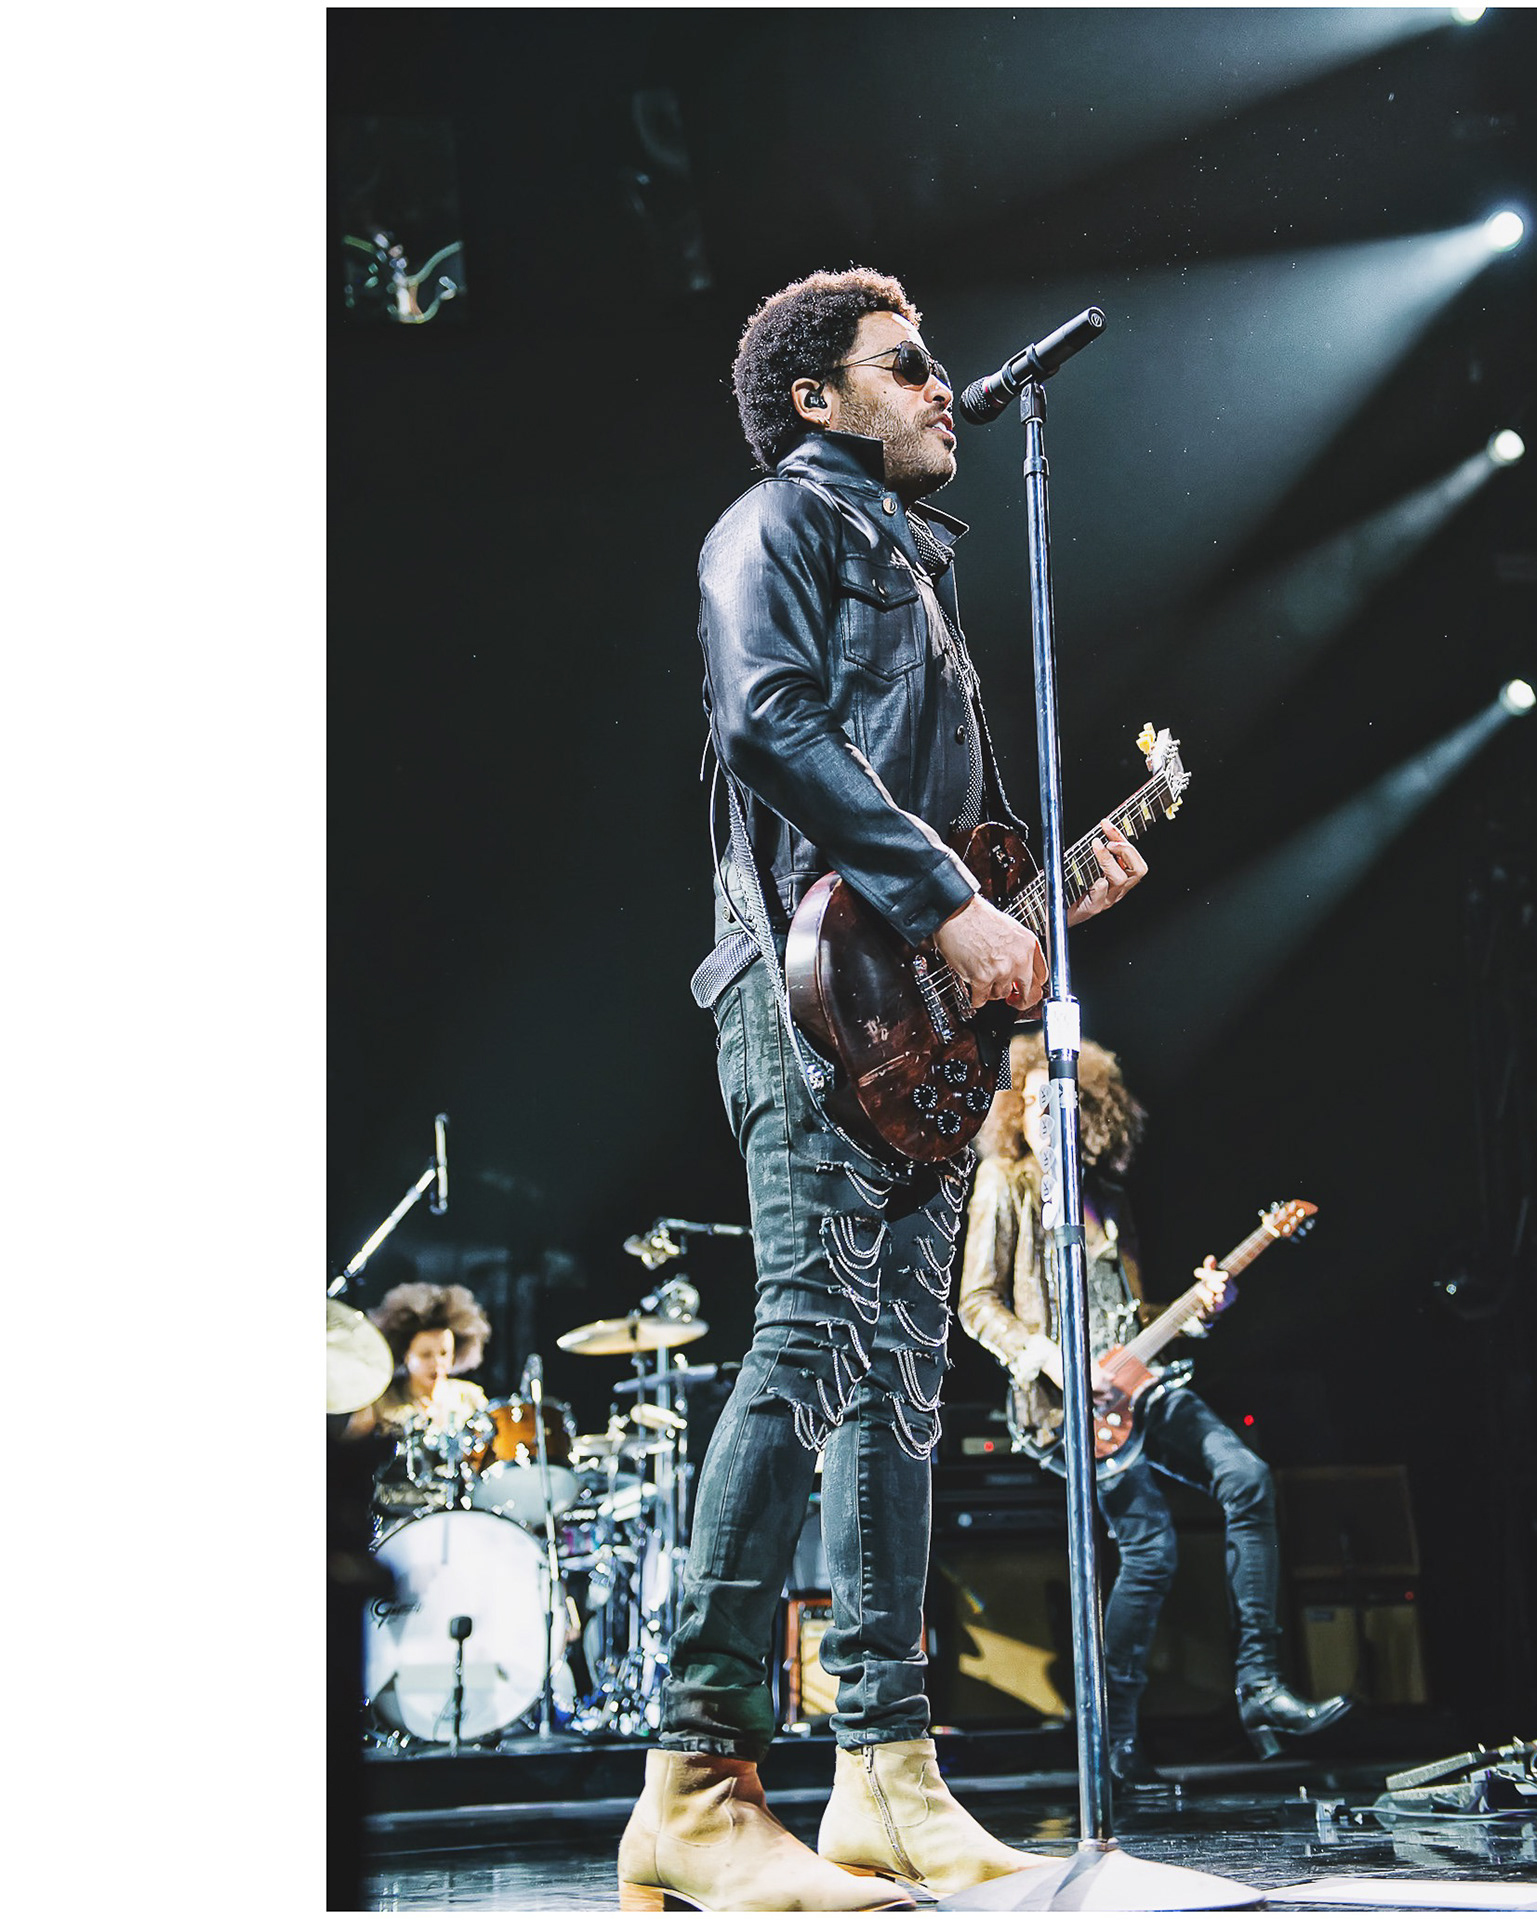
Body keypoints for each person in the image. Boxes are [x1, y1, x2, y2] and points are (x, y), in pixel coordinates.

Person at [617, 268, 1149, 1913]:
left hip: (904, 1031)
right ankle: (694, 1781)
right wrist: (947, 899)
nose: (939, 388)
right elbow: (771, 725)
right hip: (806, 1003)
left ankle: (887, 1776)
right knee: (807, 1339)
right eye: (902, 366)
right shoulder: (774, 527)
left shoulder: (913, 565)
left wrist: (1035, 892)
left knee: (902, 1386)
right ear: (815, 399)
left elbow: (938, 831)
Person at [957, 1032, 1350, 1800]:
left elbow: (1136, 1318)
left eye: (1056, 1101)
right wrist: (1051, 1359)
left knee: (1247, 1478)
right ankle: (1115, 1740)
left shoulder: (1111, 1202)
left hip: (1140, 1381)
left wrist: (1201, 1309)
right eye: (1029, 1103)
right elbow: (977, 1303)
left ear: (1087, 1112)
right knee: (1152, 1548)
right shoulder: (1005, 1183)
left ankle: (1260, 1684)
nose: (1041, 1114)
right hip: (1061, 1404)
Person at [341, 1279, 492, 1441]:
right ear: (406, 1355)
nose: (437, 1363)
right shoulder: (381, 1405)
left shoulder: (471, 1398)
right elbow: (349, 1450)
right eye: (426, 1354)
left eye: (444, 1353)